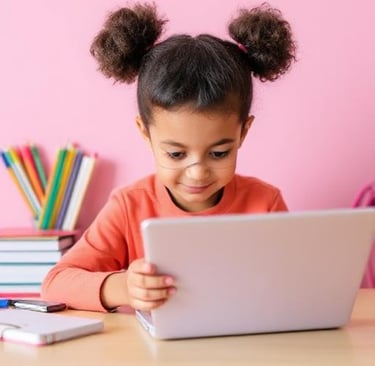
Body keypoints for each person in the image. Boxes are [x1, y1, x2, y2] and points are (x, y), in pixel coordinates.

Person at [41, 2, 296, 312]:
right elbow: (55, 283)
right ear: (146, 134)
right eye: (176, 154)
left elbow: (295, 285)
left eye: (219, 153)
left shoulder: (265, 203)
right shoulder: (129, 206)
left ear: (243, 132)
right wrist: (122, 287)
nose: (197, 172)